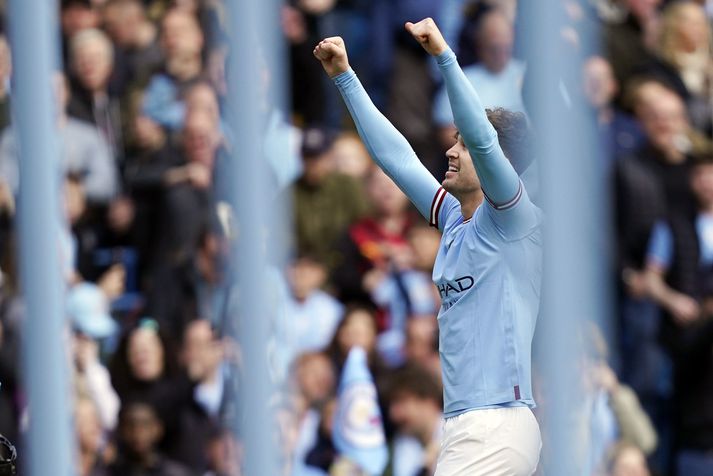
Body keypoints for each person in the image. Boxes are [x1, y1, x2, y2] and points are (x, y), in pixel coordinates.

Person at [313, 17, 542, 474]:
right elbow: (396, 157)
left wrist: (444, 56)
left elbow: (480, 136)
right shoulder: (456, 220)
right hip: (462, 423)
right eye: (453, 142)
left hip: (496, 423)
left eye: (464, 146)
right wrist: (344, 75)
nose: (452, 152)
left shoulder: (515, 220)